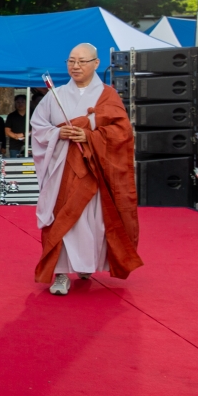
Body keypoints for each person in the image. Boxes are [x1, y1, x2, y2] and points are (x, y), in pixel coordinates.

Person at [31, 43, 142, 296]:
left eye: (82, 61)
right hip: (63, 170)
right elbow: (38, 128)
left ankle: (86, 265)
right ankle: (60, 274)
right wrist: (59, 132)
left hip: (94, 170)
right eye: (71, 61)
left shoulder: (107, 95)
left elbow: (122, 132)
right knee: (62, 220)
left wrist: (89, 135)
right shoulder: (54, 95)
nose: (76, 66)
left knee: (93, 222)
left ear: (96, 63)